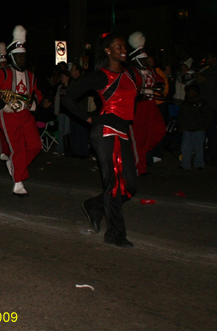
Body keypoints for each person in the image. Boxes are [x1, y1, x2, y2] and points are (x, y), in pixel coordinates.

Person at [63, 33, 138, 247]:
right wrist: (89, 118)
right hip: (106, 132)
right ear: (107, 51)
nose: (123, 49)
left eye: (124, 46)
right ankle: (115, 234)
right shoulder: (102, 76)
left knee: (130, 186)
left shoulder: (129, 73)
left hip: (123, 132)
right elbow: (69, 97)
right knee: (114, 185)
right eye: (118, 46)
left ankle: (94, 205)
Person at [0, 25, 43, 196]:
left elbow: (37, 93)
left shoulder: (31, 75)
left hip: (25, 115)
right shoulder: (2, 73)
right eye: (18, 55)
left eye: (24, 55)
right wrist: (3, 106)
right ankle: (18, 181)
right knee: (17, 148)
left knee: (35, 146)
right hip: (8, 116)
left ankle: (15, 165)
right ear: (12, 56)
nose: (22, 58)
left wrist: (34, 102)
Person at [127, 32, 166, 176]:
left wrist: (160, 85)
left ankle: (139, 156)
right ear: (136, 60)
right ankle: (139, 168)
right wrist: (138, 96)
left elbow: (160, 79)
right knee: (138, 139)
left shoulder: (150, 70)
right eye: (143, 60)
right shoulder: (131, 72)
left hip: (151, 106)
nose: (146, 62)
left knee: (159, 131)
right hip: (138, 109)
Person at [177, 83, 210, 170]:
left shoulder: (202, 104)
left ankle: (199, 164)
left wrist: (203, 126)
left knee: (198, 149)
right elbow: (180, 116)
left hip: (198, 129)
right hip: (187, 129)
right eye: (189, 92)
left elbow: (207, 116)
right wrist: (180, 126)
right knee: (185, 148)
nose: (190, 94)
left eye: (191, 92)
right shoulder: (185, 103)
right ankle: (185, 164)